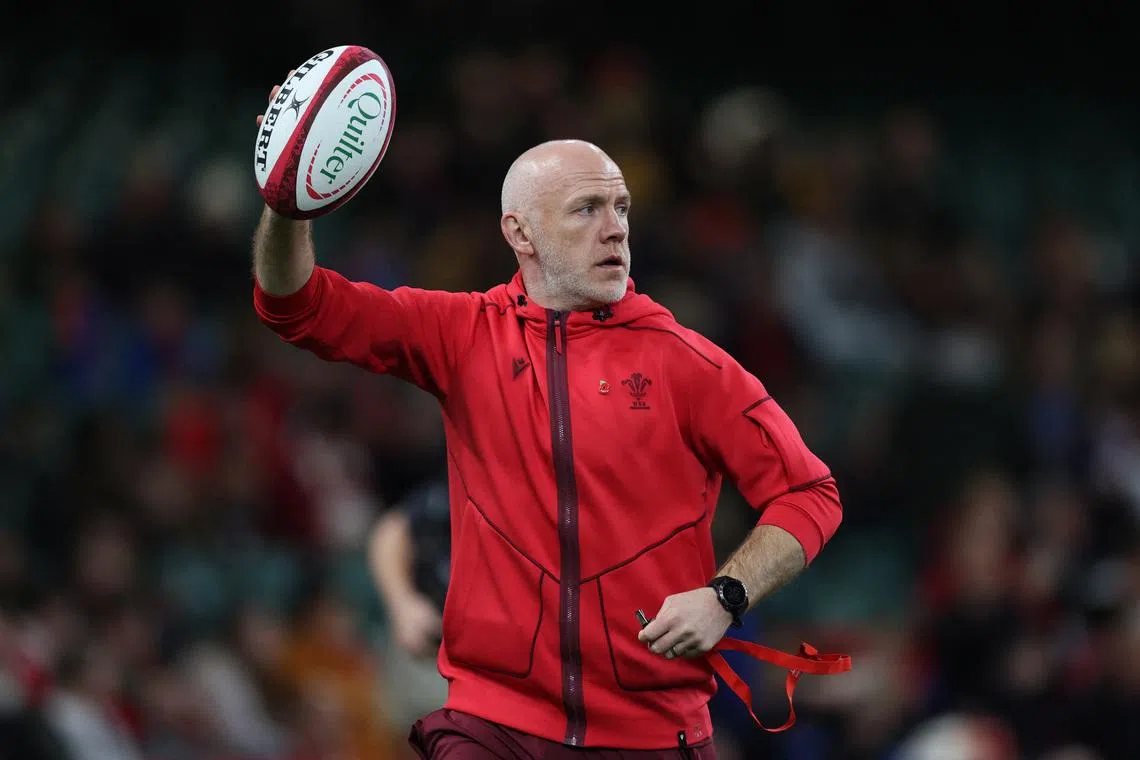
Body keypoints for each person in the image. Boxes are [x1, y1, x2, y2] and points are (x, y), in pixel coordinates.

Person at [251, 80, 844, 758]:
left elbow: (809, 494)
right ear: (519, 233)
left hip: (651, 735)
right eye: (587, 208)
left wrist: (726, 595)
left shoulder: (691, 366)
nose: (616, 225)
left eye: (621, 207)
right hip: (492, 726)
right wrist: (286, 203)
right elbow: (293, 304)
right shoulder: (461, 335)